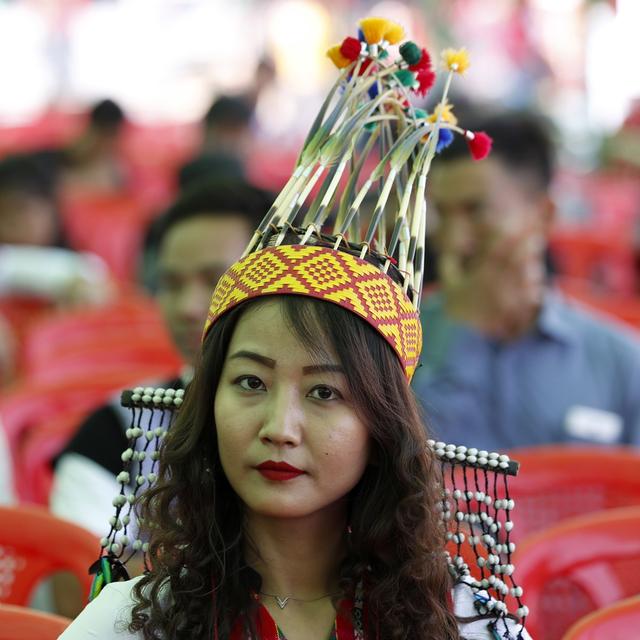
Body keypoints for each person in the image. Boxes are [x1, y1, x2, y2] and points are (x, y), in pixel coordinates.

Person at [60, 19, 530, 640]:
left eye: (324, 392)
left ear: (382, 424)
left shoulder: (461, 622)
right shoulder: (131, 622)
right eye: (251, 382)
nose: (278, 428)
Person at [50, 179, 273, 539]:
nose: (187, 307)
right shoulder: (118, 429)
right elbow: (82, 577)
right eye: (171, 284)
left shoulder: (344, 426)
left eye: (216, 279)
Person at [412, 110, 640, 450]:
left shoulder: (620, 362)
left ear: (543, 215)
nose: (454, 240)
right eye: (442, 215)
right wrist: (460, 328)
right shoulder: (399, 345)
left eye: (475, 210)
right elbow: (410, 472)